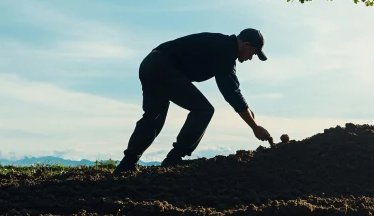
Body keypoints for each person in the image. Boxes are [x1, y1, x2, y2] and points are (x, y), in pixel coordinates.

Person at [113, 28, 273, 174]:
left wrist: (254, 120)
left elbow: (236, 92)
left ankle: (127, 164)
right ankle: (174, 159)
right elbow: (231, 92)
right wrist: (254, 127)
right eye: (253, 53)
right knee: (203, 110)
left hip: (151, 63)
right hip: (163, 66)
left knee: (153, 116)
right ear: (246, 45)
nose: (251, 58)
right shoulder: (226, 50)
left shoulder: (223, 45)